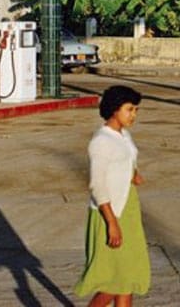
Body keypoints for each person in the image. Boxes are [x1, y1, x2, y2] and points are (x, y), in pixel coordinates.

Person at [74, 85, 150, 306]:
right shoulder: (101, 141)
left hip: (128, 209)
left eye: (136, 110)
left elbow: (126, 159)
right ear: (115, 109)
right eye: (129, 109)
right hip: (110, 212)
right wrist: (112, 223)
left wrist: (133, 174)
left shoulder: (123, 135)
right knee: (113, 282)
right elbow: (97, 185)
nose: (133, 115)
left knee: (127, 277)